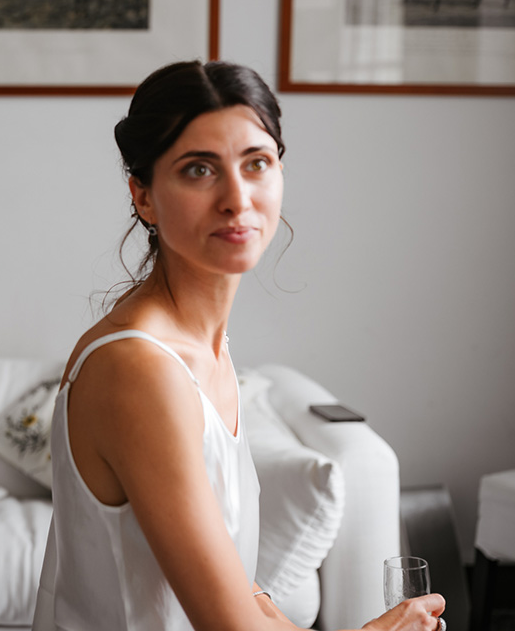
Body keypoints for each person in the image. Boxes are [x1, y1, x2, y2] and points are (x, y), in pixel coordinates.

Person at [32, 61, 445, 631]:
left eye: (256, 163)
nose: (237, 197)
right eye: (199, 169)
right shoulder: (139, 369)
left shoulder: (206, 349)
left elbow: (239, 590)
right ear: (143, 196)